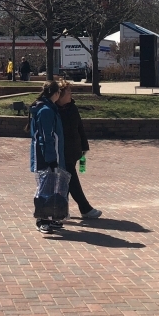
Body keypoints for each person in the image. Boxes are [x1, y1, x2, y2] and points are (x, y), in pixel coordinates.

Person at [56, 82, 102, 220]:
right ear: (60, 95)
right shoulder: (54, 110)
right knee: (70, 180)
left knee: (65, 181)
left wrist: (84, 145)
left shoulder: (72, 108)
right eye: (69, 92)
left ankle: (64, 210)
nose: (71, 94)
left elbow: (80, 127)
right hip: (61, 151)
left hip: (73, 149)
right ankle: (84, 208)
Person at [29, 80, 66, 234]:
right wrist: (51, 159)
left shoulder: (49, 108)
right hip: (45, 156)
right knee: (45, 187)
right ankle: (42, 220)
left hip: (51, 155)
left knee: (51, 187)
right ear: (56, 93)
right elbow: (46, 138)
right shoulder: (46, 110)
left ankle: (50, 218)